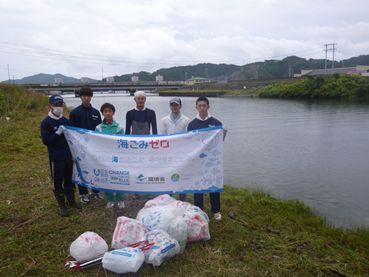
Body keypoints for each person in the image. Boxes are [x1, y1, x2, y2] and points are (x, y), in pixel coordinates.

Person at [40, 95, 81, 217]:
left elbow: (72, 138)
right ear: (50, 106)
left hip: (68, 156)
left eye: (60, 105)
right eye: (56, 105)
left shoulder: (65, 121)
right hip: (56, 157)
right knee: (58, 182)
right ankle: (62, 205)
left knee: (69, 180)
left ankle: (71, 200)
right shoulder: (46, 122)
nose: (58, 107)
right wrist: (57, 133)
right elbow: (46, 141)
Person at [187, 96, 225, 221]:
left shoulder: (216, 123)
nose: (202, 108)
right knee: (198, 185)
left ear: (208, 106)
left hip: (212, 160)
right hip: (198, 160)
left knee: (213, 184)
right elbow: (189, 142)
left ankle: (216, 210)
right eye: (200, 105)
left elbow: (221, 140)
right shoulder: (192, 124)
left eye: (204, 105)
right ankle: (199, 210)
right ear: (196, 107)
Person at [69, 86, 103, 204]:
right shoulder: (74, 113)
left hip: (94, 147)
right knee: (81, 169)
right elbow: (72, 132)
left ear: (91, 97)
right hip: (80, 146)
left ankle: (96, 191)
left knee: (94, 168)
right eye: (84, 96)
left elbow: (99, 130)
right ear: (81, 97)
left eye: (88, 96)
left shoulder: (96, 112)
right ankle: (83, 194)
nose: (86, 98)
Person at [95, 103, 125, 209]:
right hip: (104, 158)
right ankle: (110, 199)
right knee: (107, 178)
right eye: (105, 111)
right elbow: (96, 143)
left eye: (110, 111)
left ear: (113, 113)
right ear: (102, 113)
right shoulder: (98, 128)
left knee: (119, 178)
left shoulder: (119, 128)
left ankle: (120, 199)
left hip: (117, 158)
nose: (107, 113)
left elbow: (123, 143)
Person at [160, 97, 190, 201]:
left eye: (176, 105)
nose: (174, 107)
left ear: (180, 106)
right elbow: (162, 136)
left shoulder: (186, 120)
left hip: (181, 153)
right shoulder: (164, 120)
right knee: (169, 174)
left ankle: (182, 199)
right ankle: (169, 198)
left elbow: (188, 138)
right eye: (172, 105)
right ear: (170, 106)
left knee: (181, 174)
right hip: (168, 153)